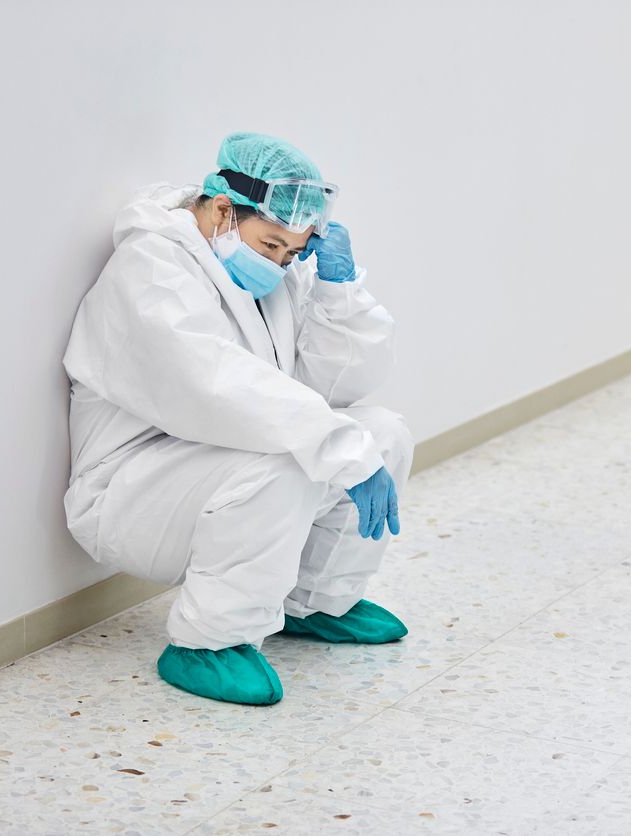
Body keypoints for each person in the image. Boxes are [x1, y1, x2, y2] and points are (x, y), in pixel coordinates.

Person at [61, 132, 413, 706]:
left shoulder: (261, 271)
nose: (279, 263)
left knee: (384, 433)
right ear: (224, 208)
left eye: (291, 253)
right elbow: (215, 387)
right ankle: (208, 643)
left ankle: (316, 602)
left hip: (214, 467)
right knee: (291, 463)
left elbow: (334, 386)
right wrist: (337, 447)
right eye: (271, 244)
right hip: (129, 490)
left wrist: (338, 291)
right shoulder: (151, 269)